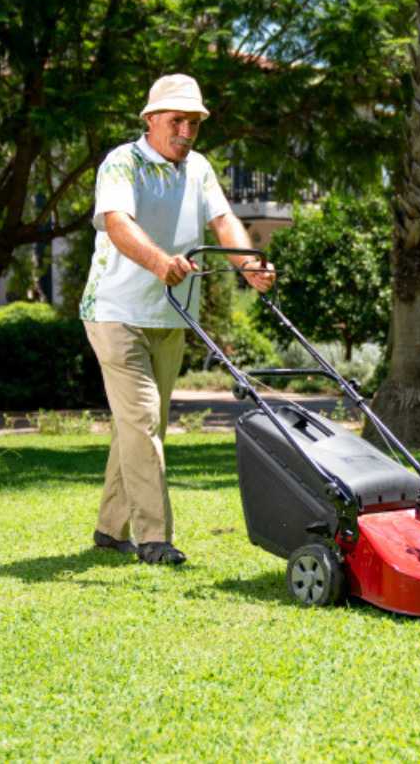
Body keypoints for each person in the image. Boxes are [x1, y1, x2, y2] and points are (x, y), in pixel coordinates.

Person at [80, 73, 275, 565]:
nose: (186, 131)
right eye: (177, 121)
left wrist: (249, 263)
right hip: (115, 311)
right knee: (144, 420)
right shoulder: (122, 163)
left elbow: (224, 221)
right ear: (151, 120)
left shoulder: (200, 169)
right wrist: (160, 262)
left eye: (194, 122)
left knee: (142, 425)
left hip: (170, 314)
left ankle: (108, 529)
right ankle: (153, 539)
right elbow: (119, 224)